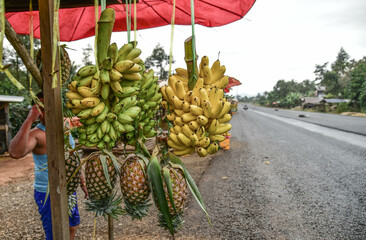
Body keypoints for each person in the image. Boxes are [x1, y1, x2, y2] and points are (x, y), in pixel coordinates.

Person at [9, 93, 88, 240]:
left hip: (68, 188)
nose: (48, 109)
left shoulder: (64, 126)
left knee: (72, 226)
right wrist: (29, 119)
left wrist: (82, 181)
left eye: (51, 104)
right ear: (37, 110)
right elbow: (15, 152)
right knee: (55, 233)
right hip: (48, 192)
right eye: (42, 107)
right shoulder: (37, 134)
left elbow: (72, 157)